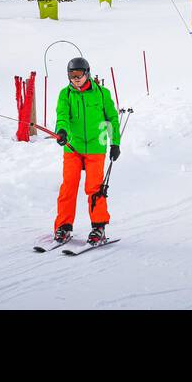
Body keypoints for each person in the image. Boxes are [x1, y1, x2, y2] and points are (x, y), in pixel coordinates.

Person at [53, 57, 121, 246]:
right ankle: (64, 226)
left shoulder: (101, 93)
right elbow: (62, 116)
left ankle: (98, 227)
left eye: (79, 74)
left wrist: (115, 143)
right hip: (73, 147)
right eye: (71, 75)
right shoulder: (65, 95)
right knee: (68, 186)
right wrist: (62, 131)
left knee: (95, 188)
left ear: (87, 73)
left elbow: (112, 118)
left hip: (95, 147)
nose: (75, 79)